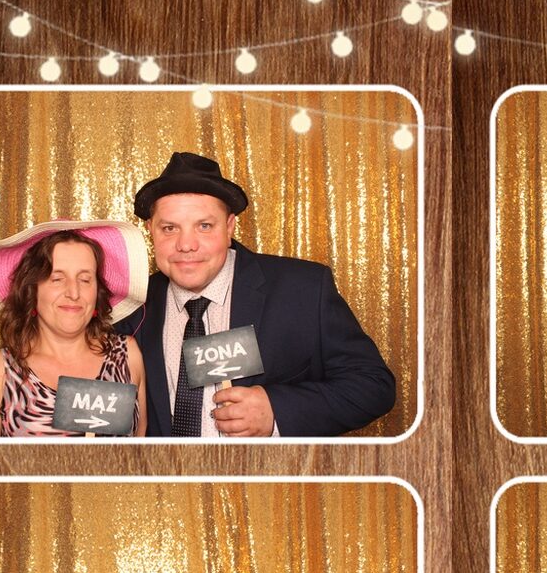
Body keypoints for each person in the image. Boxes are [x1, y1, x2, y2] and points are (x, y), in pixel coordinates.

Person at [118, 151, 396, 438]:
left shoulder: (303, 289)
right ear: (150, 231)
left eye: (204, 226)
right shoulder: (131, 307)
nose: (186, 244)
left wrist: (276, 410)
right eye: (169, 228)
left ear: (229, 227)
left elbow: (374, 386)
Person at [0, 222, 148, 437]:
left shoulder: (127, 355)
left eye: (85, 279)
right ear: (32, 290)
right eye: (57, 279)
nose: (74, 293)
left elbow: (140, 449)